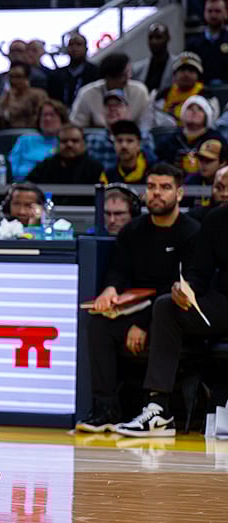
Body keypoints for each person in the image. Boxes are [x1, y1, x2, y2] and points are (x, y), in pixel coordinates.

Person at [76, 164, 200, 432]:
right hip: (140, 306)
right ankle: (105, 407)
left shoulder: (191, 232)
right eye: (152, 187)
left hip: (176, 313)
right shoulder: (133, 230)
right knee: (98, 323)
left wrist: (143, 324)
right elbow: (118, 271)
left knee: (164, 309)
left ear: (179, 193)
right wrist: (110, 289)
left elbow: (187, 287)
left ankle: (155, 407)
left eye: (165, 187)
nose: (156, 193)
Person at [114, 182, 228, 437]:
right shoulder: (216, 220)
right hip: (223, 303)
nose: (225, 190)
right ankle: (158, 409)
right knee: (167, 305)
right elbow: (199, 273)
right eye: (221, 186)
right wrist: (183, 287)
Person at [70, 53, 152, 131]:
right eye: (122, 76)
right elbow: (77, 126)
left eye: (128, 73)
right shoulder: (87, 93)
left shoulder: (139, 91)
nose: (127, 79)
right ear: (107, 77)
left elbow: (146, 126)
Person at [27, 124, 106, 190]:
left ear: (83, 143)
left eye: (74, 141)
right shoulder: (45, 166)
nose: (69, 144)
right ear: (57, 144)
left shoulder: (95, 167)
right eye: (64, 141)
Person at [10, 99, 68, 181]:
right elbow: (11, 167)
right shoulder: (25, 140)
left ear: (62, 119)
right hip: (22, 185)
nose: (47, 119)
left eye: (52, 115)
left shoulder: (67, 142)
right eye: (44, 115)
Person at [47, 33, 98, 107]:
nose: (74, 48)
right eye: (71, 45)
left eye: (78, 44)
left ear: (86, 49)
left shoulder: (95, 72)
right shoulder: (56, 75)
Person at [0, 62, 48, 130]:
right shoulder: (5, 97)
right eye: (11, 77)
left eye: (18, 77)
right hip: (7, 134)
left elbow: (41, 118)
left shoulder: (38, 95)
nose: (14, 81)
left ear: (27, 78)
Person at [132, 23, 174, 93]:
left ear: (167, 38)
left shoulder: (177, 66)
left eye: (158, 37)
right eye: (150, 38)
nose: (154, 41)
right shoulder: (137, 69)